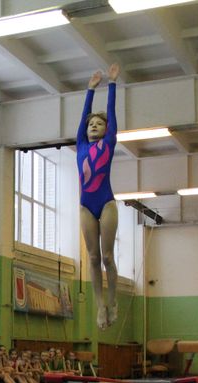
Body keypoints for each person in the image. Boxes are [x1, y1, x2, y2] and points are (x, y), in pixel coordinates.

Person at [78, 63, 121, 330]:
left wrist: (111, 84)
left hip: (106, 203)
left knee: (106, 257)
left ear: (106, 130)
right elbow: (83, 117)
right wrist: (89, 89)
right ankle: (99, 306)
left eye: (98, 124)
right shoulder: (81, 145)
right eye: (91, 124)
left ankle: (113, 300)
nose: (94, 126)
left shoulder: (109, 143)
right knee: (92, 258)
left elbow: (113, 115)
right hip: (85, 205)